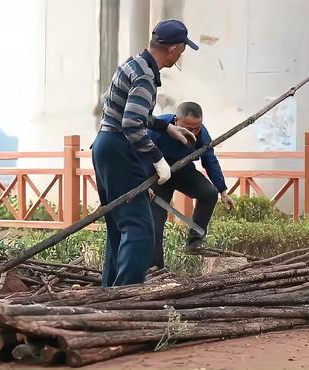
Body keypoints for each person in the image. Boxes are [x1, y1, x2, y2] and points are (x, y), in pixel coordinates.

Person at [91, 20, 199, 287]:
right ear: (173, 49)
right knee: (139, 228)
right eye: (183, 50)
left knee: (119, 227)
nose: (181, 55)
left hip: (104, 145)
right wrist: (157, 158)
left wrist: (166, 127)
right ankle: (126, 294)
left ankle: (110, 293)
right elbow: (130, 124)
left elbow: (133, 113)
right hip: (118, 149)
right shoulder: (146, 76)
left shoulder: (133, 64)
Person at [148, 101, 235, 268]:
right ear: (176, 121)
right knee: (155, 225)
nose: (193, 132)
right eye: (189, 128)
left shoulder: (203, 134)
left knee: (209, 193)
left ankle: (194, 241)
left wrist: (222, 190)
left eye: (197, 127)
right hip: (158, 176)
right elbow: (141, 154)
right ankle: (156, 271)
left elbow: (209, 159)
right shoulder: (158, 128)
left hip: (184, 171)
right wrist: (145, 184)